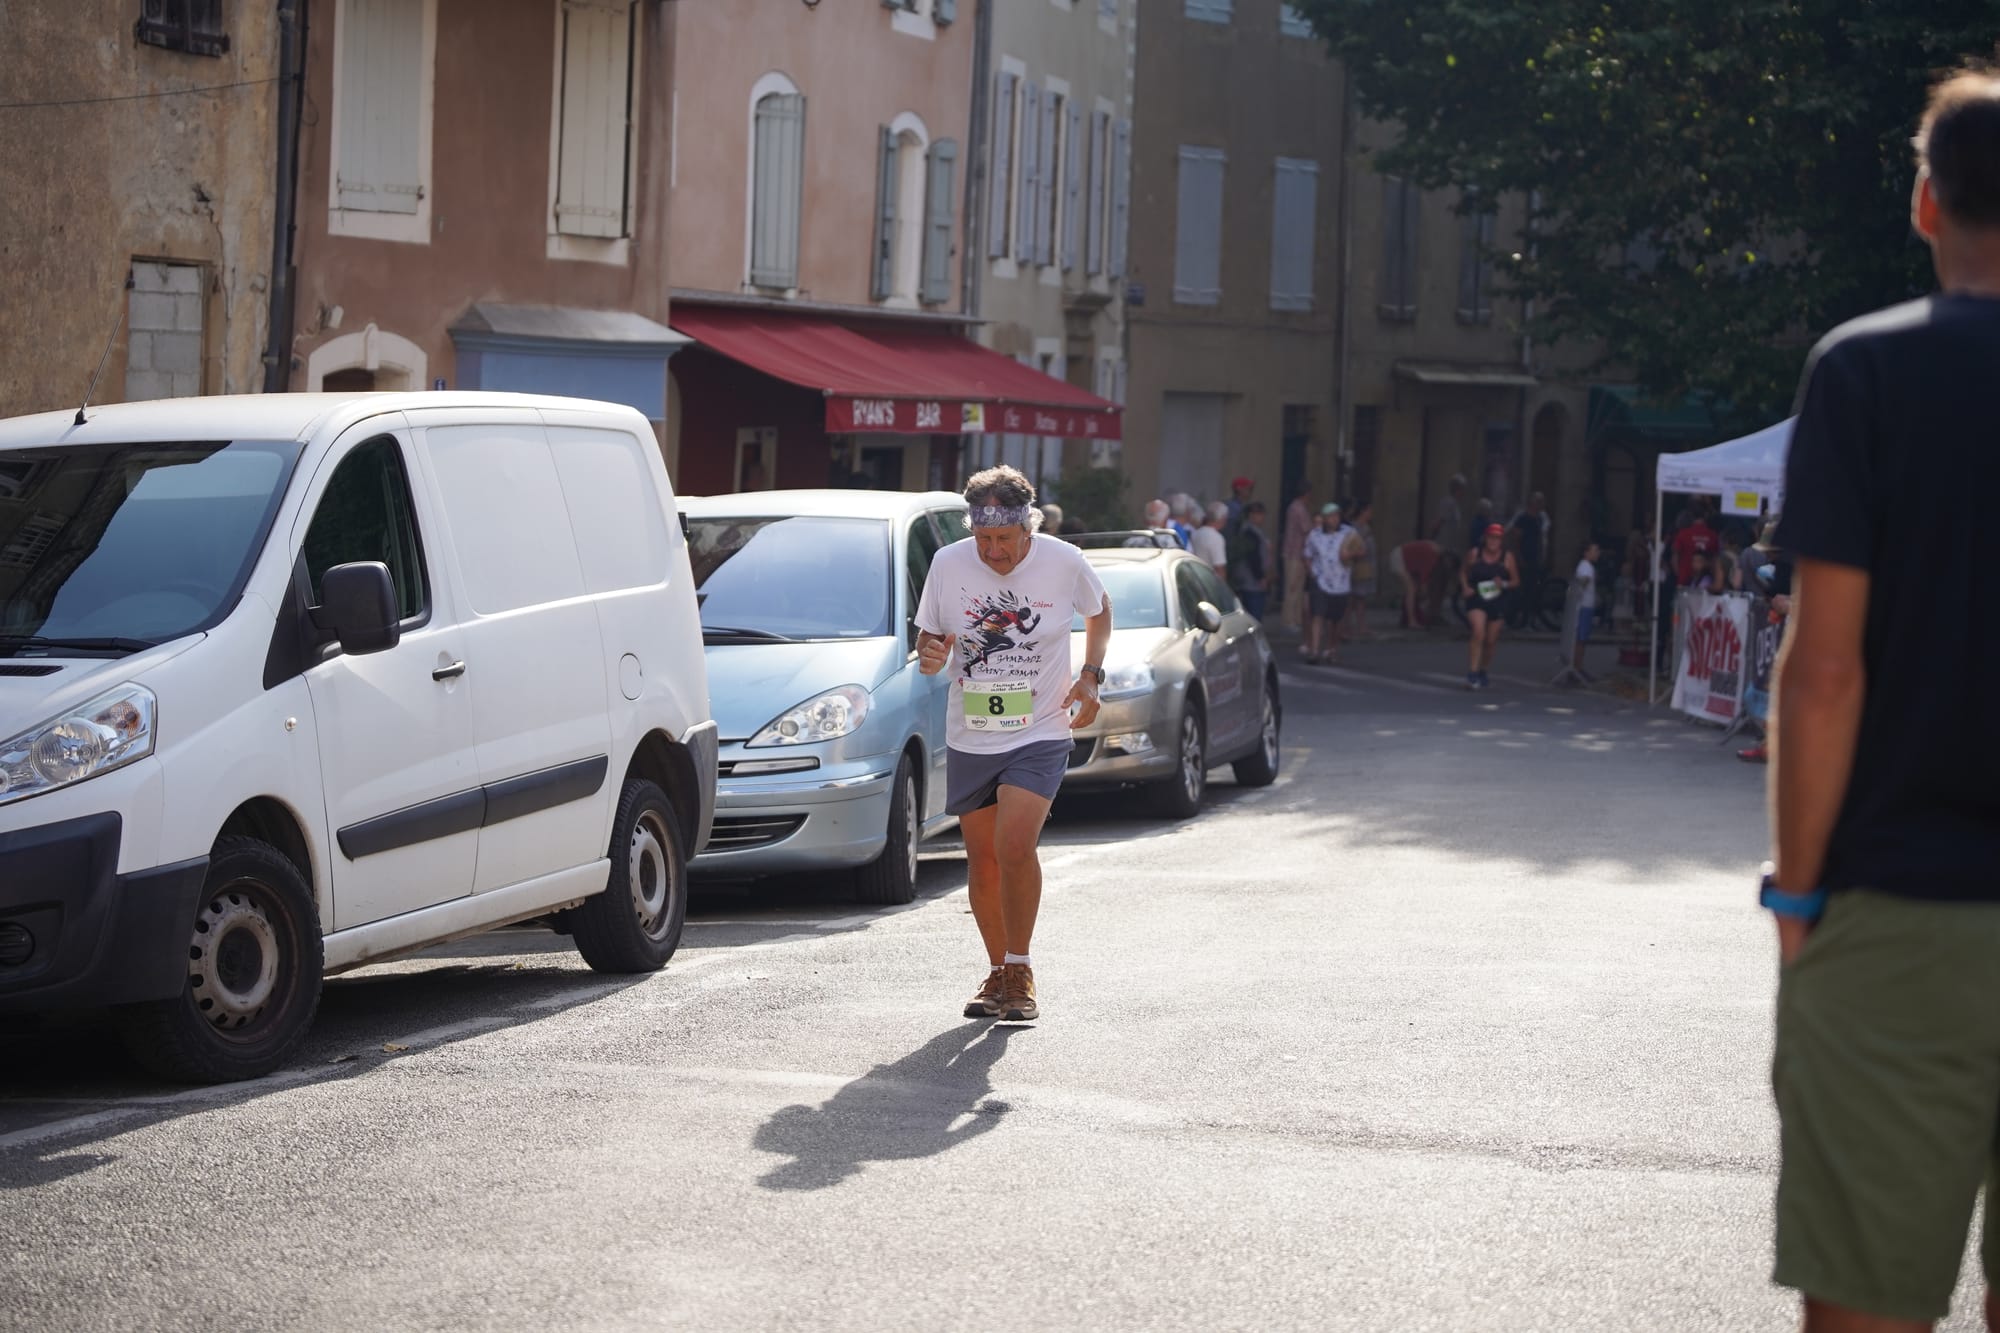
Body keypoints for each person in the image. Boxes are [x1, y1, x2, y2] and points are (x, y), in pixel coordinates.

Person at [1764, 68, 2000, 1333]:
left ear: (1923, 204)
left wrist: (1796, 895)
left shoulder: (1863, 373)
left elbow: (1824, 669)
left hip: (1902, 909)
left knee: (1863, 1308)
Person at [914, 465, 1113, 1024]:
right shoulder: (948, 564)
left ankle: (1021, 970)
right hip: (972, 731)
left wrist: (1091, 674)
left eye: (1004, 539)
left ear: (1029, 526)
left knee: (1015, 845)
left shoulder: (1064, 560)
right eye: (984, 539)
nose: (994, 551)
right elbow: (931, 635)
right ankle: (998, 970)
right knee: (983, 860)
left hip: (1041, 729)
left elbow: (1100, 610)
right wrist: (930, 653)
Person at [1458, 522, 1517, 689]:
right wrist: (1465, 587)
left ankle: (1483, 670)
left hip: (1497, 600)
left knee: (1491, 640)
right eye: (1491, 538)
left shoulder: (1507, 557)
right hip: (1477, 598)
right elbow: (1463, 572)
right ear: (1485, 539)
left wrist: (1503, 584)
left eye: (1497, 539)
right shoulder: (1475, 554)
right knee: (1478, 632)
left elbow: (1515, 581)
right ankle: (1472, 672)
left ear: (1501, 541)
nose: (1493, 542)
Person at [1301, 502, 1354, 665]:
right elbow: (1307, 554)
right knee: (1317, 615)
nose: (1334, 519)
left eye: (1337, 516)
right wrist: (1312, 572)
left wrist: (1350, 554)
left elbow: (1361, 549)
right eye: (1330, 516)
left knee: (1336, 620)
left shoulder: (1349, 533)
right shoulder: (1314, 535)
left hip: (1341, 582)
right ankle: (1315, 651)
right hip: (1321, 580)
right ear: (1324, 519)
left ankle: (1332, 649)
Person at [1509, 491, 1550, 629]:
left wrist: (1542, 556)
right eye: (1540, 502)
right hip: (1524, 559)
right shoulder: (1523, 519)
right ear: (1533, 503)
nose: (1542, 505)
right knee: (1521, 590)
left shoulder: (1539, 519)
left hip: (1535, 559)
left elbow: (1540, 540)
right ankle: (1516, 619)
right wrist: (1518, 557)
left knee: (1532, 589)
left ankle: (1528, 619)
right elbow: (1515, 539)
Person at [1230, 500, 1274, 619]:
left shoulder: (1256, 531)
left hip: (1252, 580)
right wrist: (1260, 577)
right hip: (1251, 581)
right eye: (1259, 514)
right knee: (1254, 615)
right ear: (1251, 515)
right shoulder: (1249, 532)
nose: (1262, 517)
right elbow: (1253, 557)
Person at [1342, 499, 1377, 643]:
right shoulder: (1355, 528)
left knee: (1361, 598)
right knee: (1352, 598)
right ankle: (1347, 626)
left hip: (1366, 565)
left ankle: (1361, 626)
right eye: (1369, 510)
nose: (1371, 513)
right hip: (1357, 565)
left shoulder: (1366, 527)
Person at [1281, 483, 1314, 631]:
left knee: (1297, 588)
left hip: (1297, 553)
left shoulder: (1294, 507)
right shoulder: (1299, 508)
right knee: (1293, 588)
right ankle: (1290, 620)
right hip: (1295, 553)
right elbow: (1307, 529)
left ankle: (1296, 619)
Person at [1391, 538, 1440, 629]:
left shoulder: (1432, 550)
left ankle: (1407, 618)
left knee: (1413, 589)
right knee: (1411, 589)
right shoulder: (1432, 556)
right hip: (1400, 558)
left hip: (1402, 556)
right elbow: (1424, 579)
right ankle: (1411, 621)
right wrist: (1425, 596)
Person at [1571, 540, 1600, 681]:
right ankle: (1577, 667)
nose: (1597, 553)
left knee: (1582, 639)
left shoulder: (1586, 566)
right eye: (1594, 550)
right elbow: (1583, 583)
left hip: (1586, 605)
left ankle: (1578, 666)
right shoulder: (1586, 567)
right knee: (1581, 639)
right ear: (1586, 552)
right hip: (1584, 606)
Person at [1189, 501, 1229, 577]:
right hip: (1209, 581)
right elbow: (1219, 567)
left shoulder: (1195, 533)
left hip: (1195, 578)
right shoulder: (1216, 538)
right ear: (1223, 518)